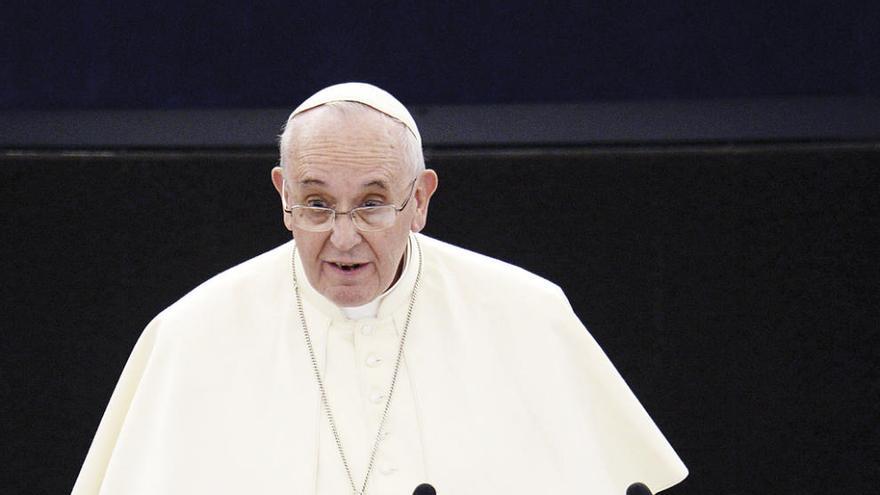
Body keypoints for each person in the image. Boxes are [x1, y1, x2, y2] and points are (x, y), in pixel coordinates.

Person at [72, 83, 688, 495]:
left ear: (419, 199)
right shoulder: (191, 336)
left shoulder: (527, 315)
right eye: (316, 204)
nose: (343, 238)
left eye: (371, 204)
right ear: (282, 194)